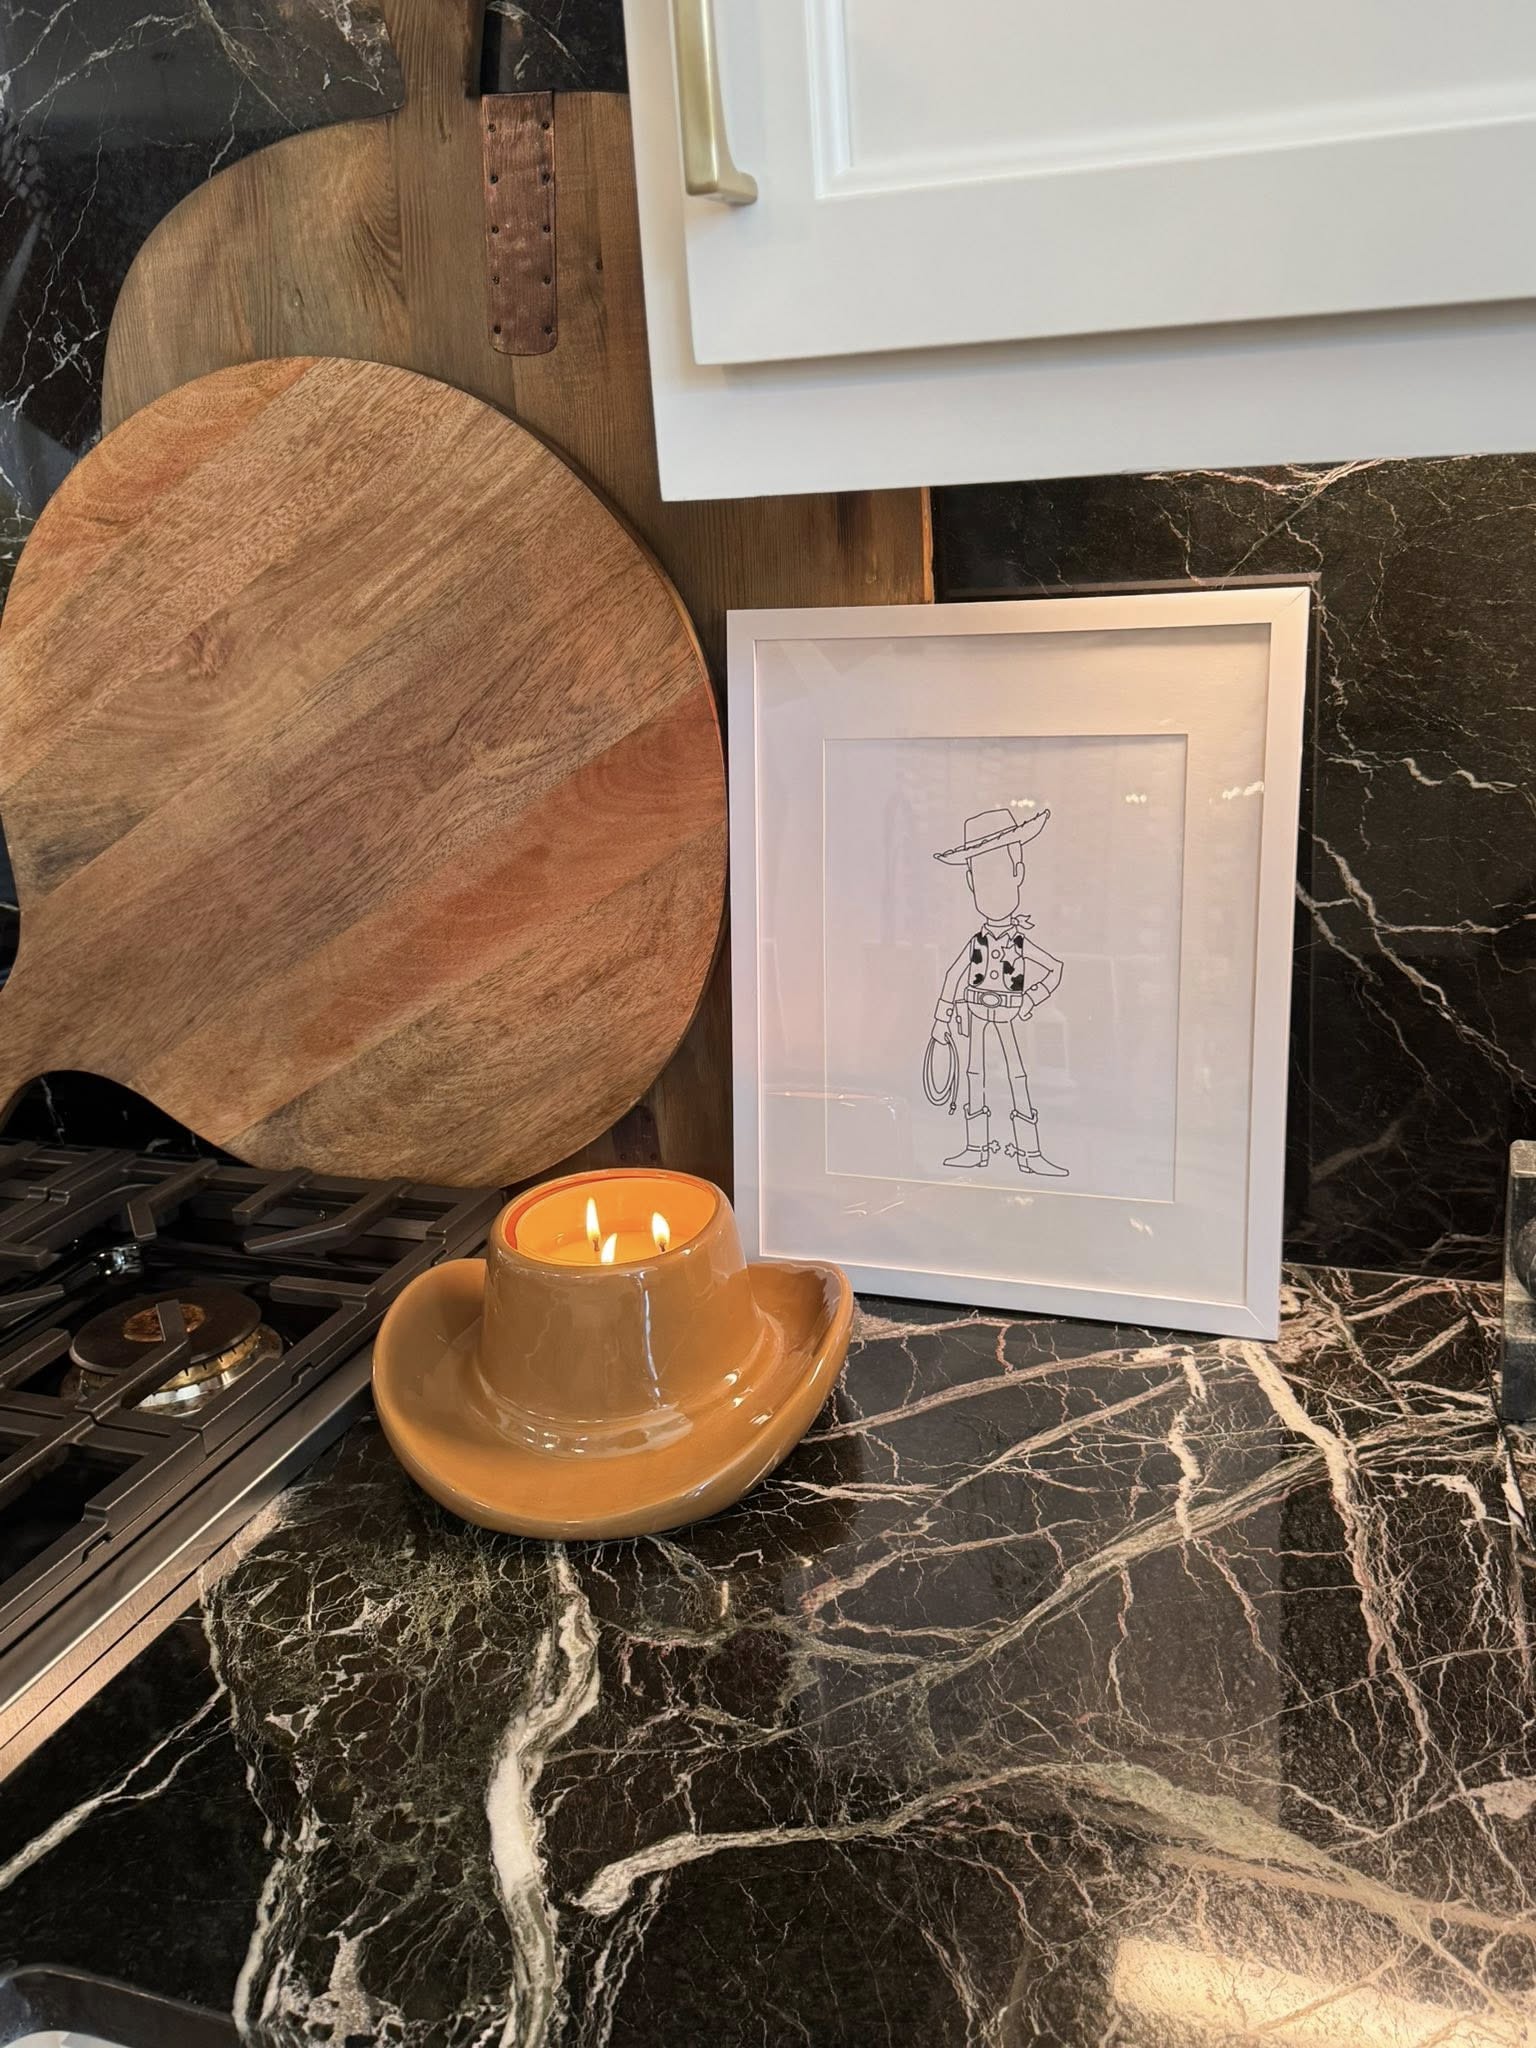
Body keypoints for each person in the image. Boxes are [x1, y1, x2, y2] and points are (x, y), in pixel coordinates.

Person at [928, 806, 1068, 1176]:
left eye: (999, 875)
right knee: (975, 1074)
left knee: (1017, 1073)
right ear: (970, 882)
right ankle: (976, 1147)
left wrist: (1030, 999)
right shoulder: (976, 940)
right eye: (980, 878)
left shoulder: (1020, 941)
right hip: (974, 1014)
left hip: (1007, 1013)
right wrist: (941, 1020)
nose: (989, 889)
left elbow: (1055, 968)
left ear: (1018, 871)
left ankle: (1030, 1153)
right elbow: (952, 974)